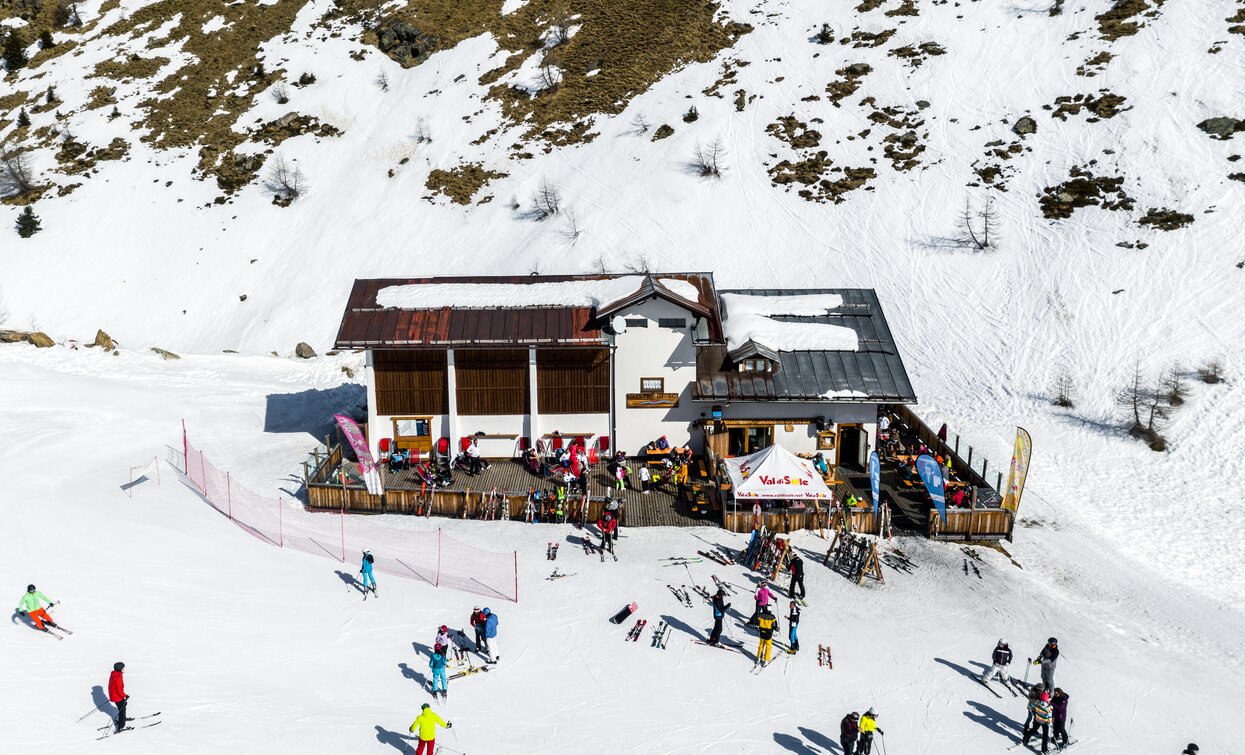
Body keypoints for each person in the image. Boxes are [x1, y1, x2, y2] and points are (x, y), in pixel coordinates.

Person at [108, 662, 129, 733]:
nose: (124, 669)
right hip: (117, 697)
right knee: (122, 711)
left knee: (122, 708)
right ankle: (121, 726)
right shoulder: (118, 678)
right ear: (120, 669)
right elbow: (119, 690)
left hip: (114, 696)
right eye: (123, 668)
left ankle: (123, 719)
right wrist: (125, 696)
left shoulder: (113, 675)